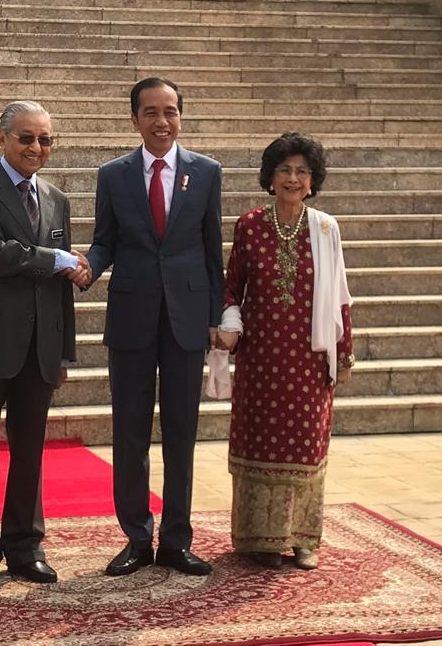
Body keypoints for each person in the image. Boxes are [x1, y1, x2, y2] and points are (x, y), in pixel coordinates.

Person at [0, 100, 88, 589]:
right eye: (26, 137)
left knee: (30, 454)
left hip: (39, 347)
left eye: (45, 139)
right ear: (2, 138)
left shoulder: (56, 198)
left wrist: (64, 350)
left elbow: (58, 281)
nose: (36, 147)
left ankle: (26, 546)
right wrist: (55, 257)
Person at [84, 77, 224, 577]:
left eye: (170, 112)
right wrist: (88, 267)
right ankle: (137, 538)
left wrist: (217, 316)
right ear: (134, 119)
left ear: (181, 117)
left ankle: (177, 540)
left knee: (182, 432)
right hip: (132, 316)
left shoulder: (206, 172)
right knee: (130, 433)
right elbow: (105, 241)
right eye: (150, 113)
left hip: (187, 320)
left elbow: (212, 250)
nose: (161, 122)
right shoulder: (114, 175)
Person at [214, 133, 354, 570]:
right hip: (262, 358)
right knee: (261, 439)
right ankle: (260, 539)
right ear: (270, 178)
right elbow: (231, 286)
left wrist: (343, 351)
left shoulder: (327, 229)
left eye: (302, 171)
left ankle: (302, 539)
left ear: (313, 181)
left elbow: (341, 298)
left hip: (311, 359)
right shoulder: (250, 225)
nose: (293, 179)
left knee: (306, 444)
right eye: (284, 170)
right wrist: (230, 324)